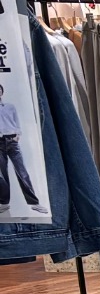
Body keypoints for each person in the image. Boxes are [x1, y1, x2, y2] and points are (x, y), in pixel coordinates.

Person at [0, 81, 41, 211]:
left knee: (22, 172)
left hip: (12, 140)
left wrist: (18, 134)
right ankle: (4, 203)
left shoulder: (10, 107)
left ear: (2, 92)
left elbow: (16, 121)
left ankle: (34, 203)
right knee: (2, 174)